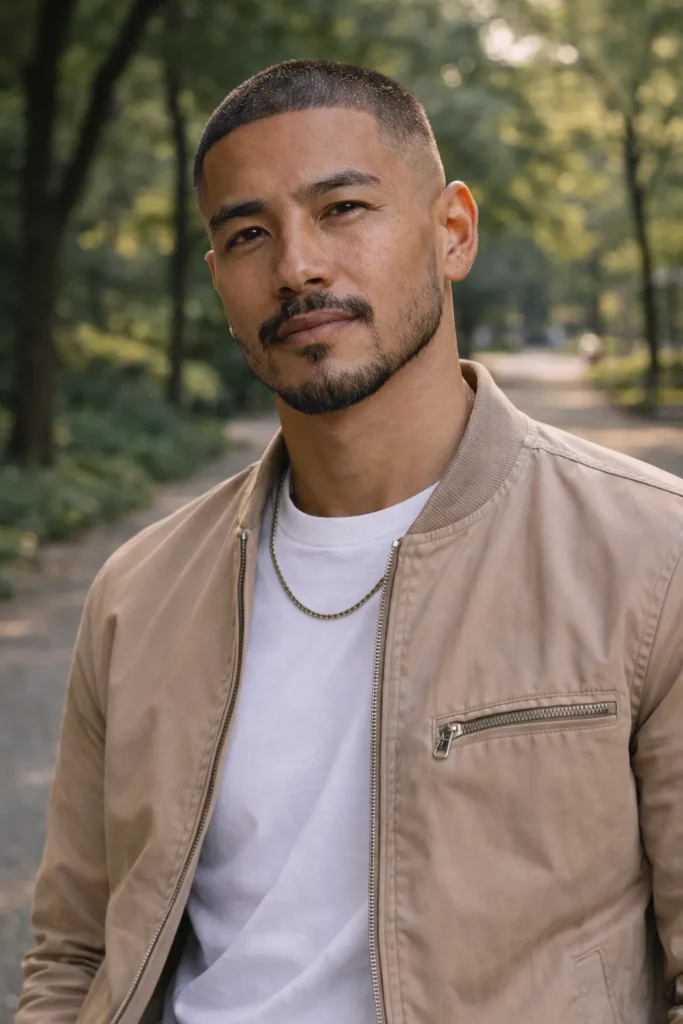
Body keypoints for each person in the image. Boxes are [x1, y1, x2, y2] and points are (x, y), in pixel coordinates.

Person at [16, 59, 683, 1024]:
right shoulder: (135, 594)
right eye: (248, 233)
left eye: (343, 209)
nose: (296, 266)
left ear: (452, 231)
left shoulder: (651, 556)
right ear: (219, 280)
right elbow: (74, 953)